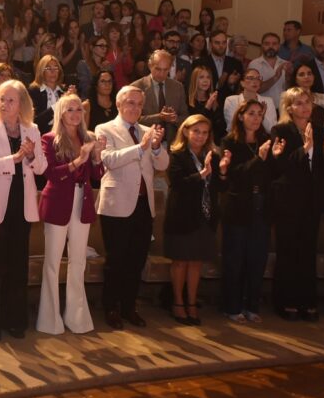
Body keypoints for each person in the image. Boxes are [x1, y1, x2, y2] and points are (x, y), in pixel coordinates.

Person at [0, 79, 46, 341]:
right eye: (1, 99)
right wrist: (13, 159)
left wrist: (30, 157)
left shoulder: (32, 129)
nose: (5, 104)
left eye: (11, 99)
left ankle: (15, 321)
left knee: (17, 268)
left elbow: (42, 167)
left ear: (22, 104)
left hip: (21, 207)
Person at [95, 85, 168, 330]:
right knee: (116, 259)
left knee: (137, 260)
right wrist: (141, 147)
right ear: (118, 104)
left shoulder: (147, 130)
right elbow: (108, 160)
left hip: (143, 205)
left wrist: (156, 147)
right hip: (116, 205)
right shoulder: (104, 128)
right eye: (130, 103)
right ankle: (111, 307)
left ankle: (129, 307)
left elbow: (164, 163)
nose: (135, 108)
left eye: (139, 104)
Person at [270, 87, 324, 321]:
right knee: (288, 251)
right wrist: (307, 148)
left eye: (307, 102)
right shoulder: (280, 130)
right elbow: (281, 167)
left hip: (312, 201)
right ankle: (285, 302)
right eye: (299, 103)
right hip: (288, 201)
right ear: (289, 108)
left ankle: (307, 301)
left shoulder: (320, 130)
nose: (305, 107)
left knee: (307, 252)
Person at [36, 94, 104, 335]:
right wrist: (79, 159)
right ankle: (49, 320)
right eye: (70, 110)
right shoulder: (49, 138)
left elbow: (97, 175)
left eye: (79, 110)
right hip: (57, 202)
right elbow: (51, 175)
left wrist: (96, 156)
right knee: (53, 263)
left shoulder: (88, 137)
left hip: (82, 201)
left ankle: (76, 318)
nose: (75, 114)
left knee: (78, 262)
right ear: (61, 113)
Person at [164, 114, 229, 326]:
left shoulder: (213, 155)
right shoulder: (177, 154)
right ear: (185, 131)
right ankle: (178, 303)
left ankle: (192, 303)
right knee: (181, 261)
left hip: (205, 216)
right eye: (196, 131)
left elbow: (221, 188)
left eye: (204, 132)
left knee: (196, 263)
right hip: (182, 216)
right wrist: (202, 174)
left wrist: (222, 173)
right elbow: (178, 184)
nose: (200, 136)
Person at [220, 99, 275, 324]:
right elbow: (235, 175)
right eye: (251, 113)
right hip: (238, 205)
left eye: (259, 114)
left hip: (262, 203)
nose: (255, 118)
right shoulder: (230, 141)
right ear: (241, 116)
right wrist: (259, 158)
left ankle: (251, 305)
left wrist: (274, 157)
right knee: (236, 258)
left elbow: (273, 174)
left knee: (257, 258)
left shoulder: (266, 141)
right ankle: (231, 306)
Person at [132, 49, 187, 144]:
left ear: (170, 68)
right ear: (150, 66)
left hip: (172, 144)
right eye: (158, 69)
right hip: (145, 143)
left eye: (165, 70)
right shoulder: (136, 87)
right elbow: (132, 119)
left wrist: (175, 119)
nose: (161, 74)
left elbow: (185, 117)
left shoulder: (178, 87)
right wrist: (159, 117)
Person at [193, 30, 242, 98]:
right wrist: (219, 84)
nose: (221, 46)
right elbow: (195, 88)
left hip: (229, 104)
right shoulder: (200, 63)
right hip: (206, 103)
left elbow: (240, 91)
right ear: (210, 44)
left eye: (224, 42)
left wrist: (231, 85)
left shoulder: (236, 64)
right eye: (217, 43)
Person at [247, 32, 289, 109]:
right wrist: (276, 77)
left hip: (283, 109)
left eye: (274, 44)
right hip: (262, 109)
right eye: (267, 44)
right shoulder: (254, 64)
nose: (271, 46)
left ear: (279, 46)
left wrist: (289, 76)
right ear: (262, 46)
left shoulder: (285, 64)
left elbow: (289, 89)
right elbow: (256, 89)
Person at [28, 54, 66, 135]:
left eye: (56, 68)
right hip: (42, 134)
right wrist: (58, 105)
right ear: (41, 71)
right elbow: (35, 121)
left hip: (63, 133)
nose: (53, 71)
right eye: (48, 68)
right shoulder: (34, 91)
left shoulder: (63, 91)